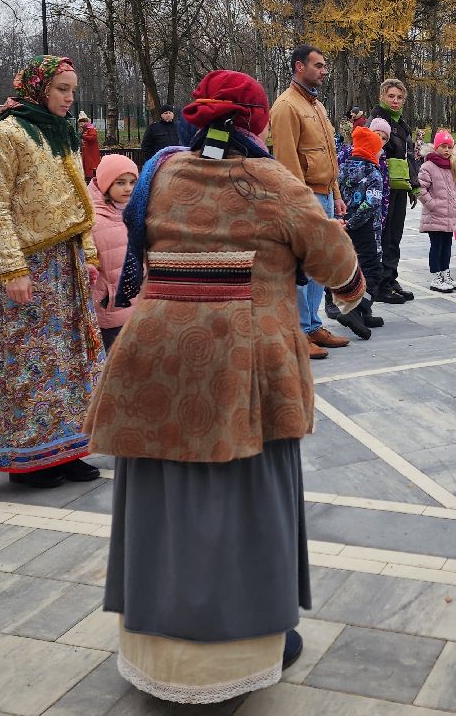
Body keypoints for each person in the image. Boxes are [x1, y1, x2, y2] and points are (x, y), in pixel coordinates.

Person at [84, 69, 367, 705]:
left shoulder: (160, 174)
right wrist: (349, 292)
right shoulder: (274, 183)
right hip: (246, 363)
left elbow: (135, 233)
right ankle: (248, 643)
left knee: (161, 502)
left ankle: (154, 648)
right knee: (245, 500)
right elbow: (336, 258)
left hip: (155, 354)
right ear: (257, 122)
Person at [0, 55, 103, 489]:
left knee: (69, 358)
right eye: (62, 89)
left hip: (65, 262)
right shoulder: (5, 135)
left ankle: (66, 448)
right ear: (40, 89)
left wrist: (87, 253)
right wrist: (13, 269)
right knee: (32, 359)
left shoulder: (58, 132)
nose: (69, 98)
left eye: (72, 89)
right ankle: (29, 456)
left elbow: (77, 197)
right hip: (31, 265)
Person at [269, 45, 353, 357]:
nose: (324, 70)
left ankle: (312, 324)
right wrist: (299, 203)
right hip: (304, 198)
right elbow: (288, 161)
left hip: (324, 195)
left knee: (319, 266)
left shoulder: (317, 106)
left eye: (325, 65)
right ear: (298, 67)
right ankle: (297, 332)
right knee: (302, 269)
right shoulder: (286, 106)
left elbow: (328, 155)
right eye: (318, 65)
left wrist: (337, 194)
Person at [371, 79, 420, 301]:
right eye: (391, 96)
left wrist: (414, 185)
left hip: (399, 186)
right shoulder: (377, 122)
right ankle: (380, 285)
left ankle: (390, 278)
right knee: (384, 235)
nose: (395, 101)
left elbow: (409, 157)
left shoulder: (402, 124)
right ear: (383, 96)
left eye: (400, 97)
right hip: (382, 187)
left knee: (395, 235)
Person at [339, 126, 393, 320]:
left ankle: (364, 313)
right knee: (373, 271)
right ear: (371, 151)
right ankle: (355, 308)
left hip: (346, 226)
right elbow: (371, 203)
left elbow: (339, 195)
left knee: (355, 269)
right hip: (366, 228)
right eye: (379, 149)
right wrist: (354, 223)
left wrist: (345, 222)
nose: (381, 153)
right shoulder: (373, 173)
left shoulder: (344, 167)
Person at [90, 153, 139, 354]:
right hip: (108, 308)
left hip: (135, 304)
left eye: (132, 182)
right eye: (120, 182)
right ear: (105, 184)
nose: (128, 188)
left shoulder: (137, 213)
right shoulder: (93, 220)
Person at [419, 130, 456, 291]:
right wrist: (432, 204)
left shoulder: (452, 165)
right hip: (435, 215)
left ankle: (445, 273)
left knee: (447, 246)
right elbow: (421, 189)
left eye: (449, 147)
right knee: (436, 246)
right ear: (436, 147)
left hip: (450, 215)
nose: (447, 150)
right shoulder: (428, 166)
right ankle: (436, 277)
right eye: (443, 146)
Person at [79, 112, 101, 181]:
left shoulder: (91, 130)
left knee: (91, 167)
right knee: (86, 167)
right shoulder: (84, 130)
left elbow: (92, 138)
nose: (81, 124)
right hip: (86, 153)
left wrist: (83, 136)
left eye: (82, 122)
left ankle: (91, 179)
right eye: (80, 122)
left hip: (91, 154)